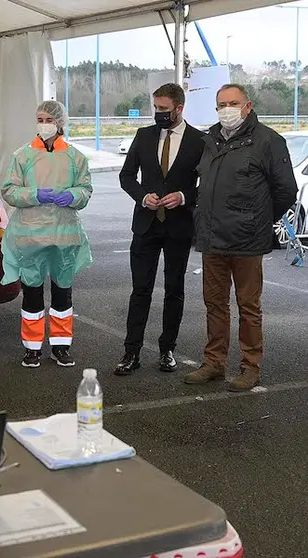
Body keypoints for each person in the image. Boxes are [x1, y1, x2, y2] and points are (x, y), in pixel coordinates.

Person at [185, 84, 297, 392]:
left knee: (249, 306)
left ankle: (250, 367)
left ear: (247, 106)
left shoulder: (268, 141)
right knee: (214, 304)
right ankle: (214, 363)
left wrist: (258, 220)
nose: (226, 109)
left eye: (233, 103)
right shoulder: (210, 140)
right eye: (221, 104)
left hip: (247, 240)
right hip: (212, 239)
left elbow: (286, 191)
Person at [115, 83, 205, 376]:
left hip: (178, 227)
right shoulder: (143, 136)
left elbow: (205, 185)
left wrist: (183, 197)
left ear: (179, 108)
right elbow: (126, 176)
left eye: (164, 109)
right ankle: (131, 352)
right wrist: (142, 195)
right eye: (155, 108)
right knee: (140, 290)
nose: (158, 114)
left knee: (174, 291)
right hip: (145, 225)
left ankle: (167, 350)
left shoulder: (198, 141)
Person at [1, 100, 93, 369]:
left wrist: (73, 195)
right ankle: (32, 349)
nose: (43, 124)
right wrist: (35, 194)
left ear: (60, 122)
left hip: (64, 235)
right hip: (30, 235)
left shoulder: (76, 157)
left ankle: (61, 347)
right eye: (39, 119)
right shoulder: (23, 156)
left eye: (48, 119)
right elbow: (9, 191)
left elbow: (85, 190)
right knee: (32, 294)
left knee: (63, 294)